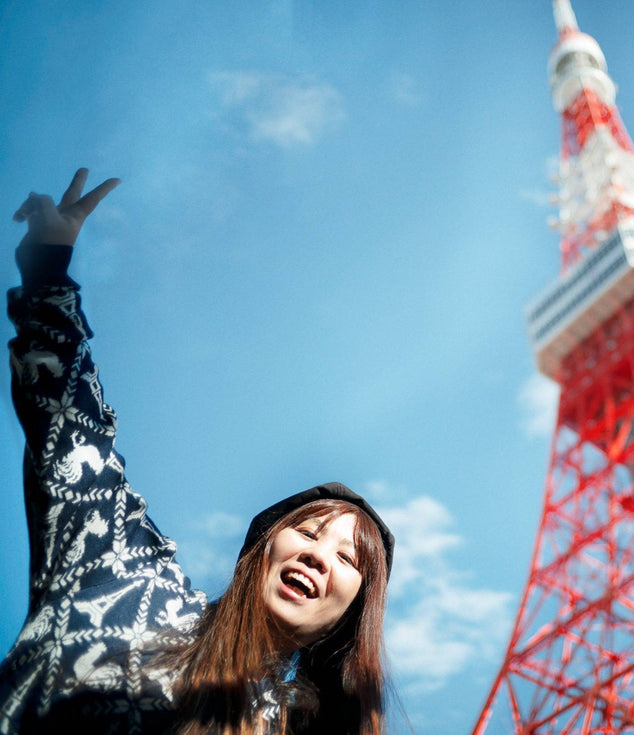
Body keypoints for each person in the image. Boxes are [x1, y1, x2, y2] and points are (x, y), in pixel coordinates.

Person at [0, 170, 395, 735]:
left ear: (352, 618)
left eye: (349, 559)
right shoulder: (124, 572)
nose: (317, 555)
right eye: (307, 533)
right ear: (260, 548)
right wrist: (48, 268)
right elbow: (71, 426)